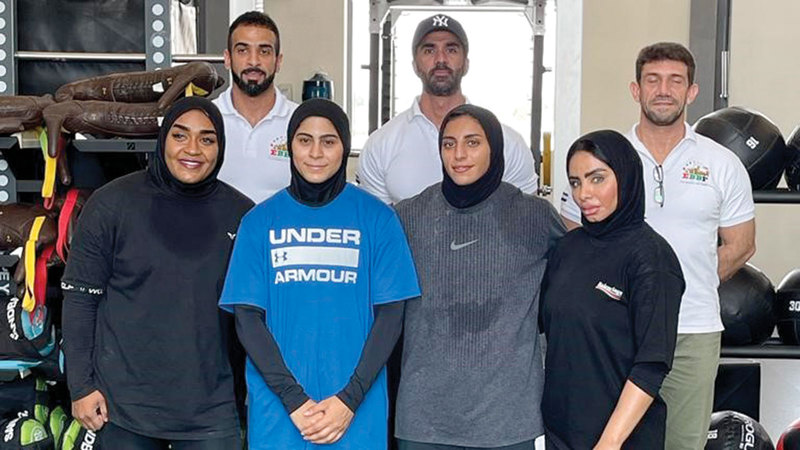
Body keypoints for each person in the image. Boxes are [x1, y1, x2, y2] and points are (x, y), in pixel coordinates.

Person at [560, 42, 756, 449]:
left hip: (692, 331)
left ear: (692, 91)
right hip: (615, 331)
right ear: (636, 90)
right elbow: (575, 239)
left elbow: (740, 245)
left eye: (675, 81)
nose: (663, 90)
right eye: (653, 80)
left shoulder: (722, 163)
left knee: (682, 443)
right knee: (610, 440)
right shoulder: (604, 159)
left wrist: (665, 292)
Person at [219, 99, 421, 449]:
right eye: (304, 140)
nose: (315, 153)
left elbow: (391, 316)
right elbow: (247, 319)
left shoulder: (378, 219)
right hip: (280, 413)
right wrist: (293, 400)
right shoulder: (258, 222)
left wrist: (349, 400)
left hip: (356, 413)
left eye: (328, 141)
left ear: (344, 147)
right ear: (290, 146)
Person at [62, 96, 253, 448]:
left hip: (210, 412)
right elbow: (79, 300)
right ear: (163, 139)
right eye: (180, 135)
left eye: (207, 139)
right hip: (123, 408)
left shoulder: (242, 215)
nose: (192, 149)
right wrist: (81, 386)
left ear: (220, 147)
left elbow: (251, 317)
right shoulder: (111, 204)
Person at [393, 105, 564, 450]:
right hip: (424, 419)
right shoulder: (408, 216)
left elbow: (578, 279)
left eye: (472, 143)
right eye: (449, 144)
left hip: (507, 420)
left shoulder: (534, 216)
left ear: (494, 148)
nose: (459, 155)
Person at [542, 130, 684, 449]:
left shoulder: (652, 258)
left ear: (626, 177)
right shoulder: (567, 248)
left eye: (597, 179)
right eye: (576, 182)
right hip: (560, 434)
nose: (583, 194)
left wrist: (609, 442)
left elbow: (651, 365)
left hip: (621, 439)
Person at [357, 14, 538, 204]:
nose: (441, 59)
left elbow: (526, 216)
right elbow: (375, 220)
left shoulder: (511, 145)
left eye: (451, 50)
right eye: (429, 50)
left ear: (466, 63)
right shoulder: (380, 145)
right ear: (415, 65)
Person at [214, 11, 298, 203]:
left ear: (278, 61)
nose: (253, 61)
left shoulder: (300, 122)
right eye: (243, 50)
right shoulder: (206, 120)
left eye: (264, 51)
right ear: (227, 58)